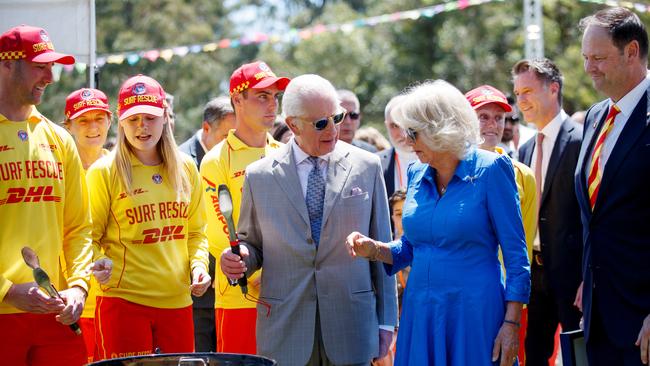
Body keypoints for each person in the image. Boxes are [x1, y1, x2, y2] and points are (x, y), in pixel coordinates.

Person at [346, 80, 530, 366]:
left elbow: (517, 259)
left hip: (474, 313)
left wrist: (511, 325)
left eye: (413, 132)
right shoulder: (417, 172)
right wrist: (375, 249)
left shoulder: (492, 169)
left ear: (439, 128)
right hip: (422, 312)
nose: (408, 141)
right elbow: (412, 246)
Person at [220, 74, 397, 366]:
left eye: (336, 117)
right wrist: (238, 259)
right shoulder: (260, 175)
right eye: (320, 123)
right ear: (292, 124)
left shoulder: (367, 166)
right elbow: (251, 244)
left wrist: (387, 321)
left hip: (352, 326)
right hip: (285, 330)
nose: (333, 129)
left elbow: (383, 249)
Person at [87, 74, 210, 359]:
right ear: (120, 121)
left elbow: (195, 233)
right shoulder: (104, 171)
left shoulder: (187, 167)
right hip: (124, 302)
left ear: (165, 116)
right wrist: (98, 262)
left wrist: (199, 267)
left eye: (150, 117)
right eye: (133, 119)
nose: (142, 127)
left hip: (178, 302)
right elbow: (87, 237)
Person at [0, 24, 92, 366]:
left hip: (55, 318)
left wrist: (79, 287)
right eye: (40, 66)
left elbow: (79, 227)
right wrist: (7, 291)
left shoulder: (58, 139)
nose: (50, 76)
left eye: (52, 66)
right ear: (7, 64)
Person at [577, 7, 650, 365]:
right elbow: (597, 217)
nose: (589, 68)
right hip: (599, 317)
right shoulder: (595, 117)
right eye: (586, 57)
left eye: (599, 58)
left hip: (642, 321)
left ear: (632, 52)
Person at [200, 60, 289, 354]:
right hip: (240, 297)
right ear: (237, 100)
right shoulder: (215, 161)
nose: (272, 105)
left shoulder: (285, 152)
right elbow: (218, 234)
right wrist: (252, 273)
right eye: (262, 96)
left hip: (288, 293)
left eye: (274, 96)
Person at [512, 58, 583, 366]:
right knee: (535, 357)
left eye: (527, 91)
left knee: (579, 357)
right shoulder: (525, 150)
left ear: (553, 89)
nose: (520, 101)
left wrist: (587, 278)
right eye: (517, 93)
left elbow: (592, 216)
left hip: (574, 278)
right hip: (535, 276)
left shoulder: (582, 140)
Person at [465, 84, 537, 365]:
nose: (492, 124)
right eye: (483, 116)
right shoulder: (445, 171)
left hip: (507, 301)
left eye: (499, 117)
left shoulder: (523, 176)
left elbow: (523, 248)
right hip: (464, 294)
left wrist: (515, 308)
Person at [178, 95, 235, 352]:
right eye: (226, 136)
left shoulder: (238, 156)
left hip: (234, 285)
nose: (232, 143)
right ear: (206, 129)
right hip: (198, 288)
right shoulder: (181, 161)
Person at [61, 87, 113, 363]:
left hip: (114, 299)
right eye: (83, 120)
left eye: (99, 118)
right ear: (67, 125)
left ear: (110, 120)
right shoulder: (57, 168)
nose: (93, 127)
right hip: (69, 300)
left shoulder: (120, 167)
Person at [377, 95, 417, 233]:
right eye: (394, 125)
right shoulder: (374, 164)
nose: (402, 133)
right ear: (386, 125)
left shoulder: (437, 159)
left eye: (406, 124)